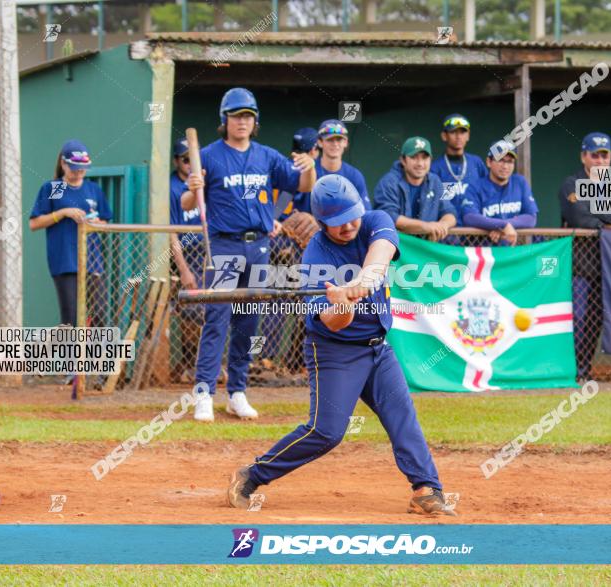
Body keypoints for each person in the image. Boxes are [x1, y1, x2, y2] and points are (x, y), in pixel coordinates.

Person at [226, 175, 456, 516]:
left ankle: (426, 488)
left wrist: (362, 281)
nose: (348, 226)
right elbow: (333, 323)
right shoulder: (315, 258)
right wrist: (342, 306)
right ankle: (252, 475)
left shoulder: (375, 221)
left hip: (378, 346)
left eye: (351, 216)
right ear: (321, 223)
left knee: (401, 415)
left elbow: (382, 253)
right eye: (337, 223)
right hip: (335, 351)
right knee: (326, 432)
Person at [181, 87, 316, 422]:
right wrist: (192, 188)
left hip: (259, 246)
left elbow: (304, 186)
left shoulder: (267, 156)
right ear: (224, 120)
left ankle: (237, 392)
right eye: (235, 116)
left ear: (254, 121)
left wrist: (311, 166)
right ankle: (204, 393)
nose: (241, 122)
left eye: (247, 116)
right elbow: (187, 205)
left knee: (248, 322)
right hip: (224, 245)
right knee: (217, 320)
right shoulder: (210, 156)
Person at [558, 132, 611, 382]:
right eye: (595, 155)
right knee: (576, 318)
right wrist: (603, 220)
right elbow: (578, 217)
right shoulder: (571, 183)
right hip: (577, 263)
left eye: (605, 155)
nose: (600, 161)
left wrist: (599, 218)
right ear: (584, 156)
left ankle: (584, 369)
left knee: (594, 319)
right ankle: (569, 367)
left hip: (604, 263)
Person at [29, 139, 112, 326]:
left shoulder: (93, 189)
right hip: (65, 260)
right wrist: (63, 213)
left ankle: (93, 355)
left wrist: (95, 223)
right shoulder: (55, 188)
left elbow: (105, 221)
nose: (78, 172)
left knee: (98, 315)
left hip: (92, 260)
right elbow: (34, 223)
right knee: (71, 319)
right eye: (74, 168)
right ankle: (71, 356)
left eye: (82, 169)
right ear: (63, 164)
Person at [169, 138, 206, 383]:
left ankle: (207, 364)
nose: (189, 164)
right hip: (187, 253)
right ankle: (190, 364)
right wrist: (183, 270)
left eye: (192, 158)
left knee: (214, 311)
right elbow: (170, 231)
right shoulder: (172, 187)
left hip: (208, 252)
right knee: (191, 313)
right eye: (185, 159)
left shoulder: (204, 181)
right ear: (176, 161)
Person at [373, 136, 457, 241]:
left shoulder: (435, 181)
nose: (420, 163)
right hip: (397, 247)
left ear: (430, 160)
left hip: (426, 247)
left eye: (424, 158)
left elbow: (450, 211)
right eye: (414, 157)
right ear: (403, 160)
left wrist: (443, 225)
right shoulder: (388, 182)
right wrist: (427, 226)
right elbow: (388, 216)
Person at [458, 139, 537, 245]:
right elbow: (469, 217)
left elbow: (531, 218)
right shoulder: (475, 186)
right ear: (489, 162)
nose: (505, 166)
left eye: (509, 161)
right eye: (500, 160)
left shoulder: (520, 182)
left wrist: (504, 225)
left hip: (512, 251)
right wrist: (502, 225)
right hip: (482, 252)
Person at [430, 113, 488, 207]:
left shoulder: (476, 162)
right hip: (449, 220)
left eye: (462, 132)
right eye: (453, 132)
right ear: (444, 136)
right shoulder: (435, 168)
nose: (458, 136)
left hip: (476, 219)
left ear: (468, 135)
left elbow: (487, 193)